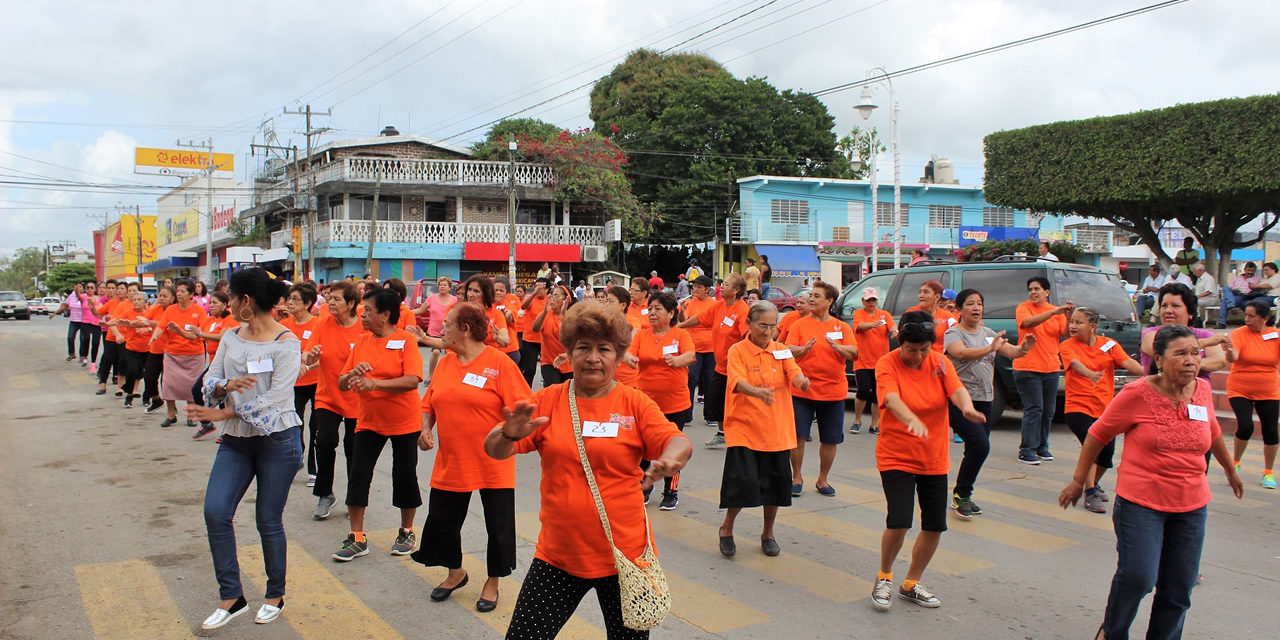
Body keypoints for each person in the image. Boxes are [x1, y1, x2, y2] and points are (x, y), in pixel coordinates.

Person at [484, 303, 692, 640]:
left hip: (625, 557)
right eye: (583, 347)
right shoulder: (548, 400)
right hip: (558, 555)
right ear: (568, 354)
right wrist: (507, 433)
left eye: (604, 349)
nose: (593, 357)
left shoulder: (634, 403)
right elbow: (494, 450)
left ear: (619, 356)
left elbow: (676, 440)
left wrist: (670, 459)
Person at [1058, 324, 1243, 640]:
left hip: (1191, 505)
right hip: (1141, 503)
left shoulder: (1200, 390)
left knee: (1179, 587)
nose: (1190, 361)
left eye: (1195, 354)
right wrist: (1079, 482)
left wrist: (1230, 470)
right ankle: (1112, 632)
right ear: (1158, 358)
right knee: (1138, 577)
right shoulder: (1136, 394)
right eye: (1180, 354)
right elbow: (1097, 435)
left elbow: (1212, 431)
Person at [190, 268, 301, 630]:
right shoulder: (230, 336)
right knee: (215, 511)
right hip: (237, 441)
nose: (229, 304)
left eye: (232, 299)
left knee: (267, 520)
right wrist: (223, 386)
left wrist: (224, 410)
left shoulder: (286, 343)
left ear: (246, 301)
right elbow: (209, 379)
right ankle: (232, 596)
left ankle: (275, 594)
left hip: (277, 441)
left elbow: (276, 401)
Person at [412, 303, 532, 613]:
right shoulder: (447, 363)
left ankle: (492, 581)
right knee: (442, 521)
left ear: (465, 329)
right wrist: (426, 429)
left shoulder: (500, 364)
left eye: (448, 325)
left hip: (493, 460)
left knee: (498, 525)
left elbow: (524, 409)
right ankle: (456, 572)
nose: (442, 331)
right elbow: (430, 403)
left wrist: (511, 431)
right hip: (453, 459)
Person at [871, 311, 986, 612]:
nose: (919, 356)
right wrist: (911, 420)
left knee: (935, 525)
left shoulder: (939, 361)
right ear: (900, 341)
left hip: (933, 457)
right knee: (899, 521)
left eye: (924, 349)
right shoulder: (887, 364)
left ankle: (911, 583)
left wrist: (968, 408)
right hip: (896, 455)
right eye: (912, 349)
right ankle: (884, 576)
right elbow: (892, 400)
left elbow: (957, 390)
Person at [333, 289, 425, 562]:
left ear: (385, 315)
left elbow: (413, 379)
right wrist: (352, 374)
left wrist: (375, 384)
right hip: (369, 421)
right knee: (359, 474)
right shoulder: (361, 342)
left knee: (404, 476)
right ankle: (357, 537)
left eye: (368, 310)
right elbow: (341, 382)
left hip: (404, 421)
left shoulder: (406, 340)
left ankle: (407, 531)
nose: (362, 314)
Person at [718, 301, 810, 558]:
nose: (767, 331)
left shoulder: (781, 351)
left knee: (775, 488)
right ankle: (727, 528)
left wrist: (801, 381)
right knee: (741, 484)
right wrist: (756, 391)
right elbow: (736, 381)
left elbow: (794, 373)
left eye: (772, 326)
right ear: (748, 324)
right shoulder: (737, 351)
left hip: (777, 431)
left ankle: (768, 533)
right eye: (762, 326)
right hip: (744, 429)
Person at [944, 289, 1035, 517]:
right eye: (970, 304)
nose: (976, 308)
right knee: (980, 446)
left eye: (979, 304)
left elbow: (1011, 352)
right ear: (959, 309)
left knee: (975, 448)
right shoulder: (953, 333)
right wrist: (989, 348)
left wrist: (1025, 348)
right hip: (960, 399)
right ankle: (961, 494)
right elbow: (961, 354)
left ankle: (963, 494)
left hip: (985, 399)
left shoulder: (988, 333)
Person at [1058, 307, 1144, 514]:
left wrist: (1150, 375)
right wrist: (1090, 374)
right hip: (1077, 407)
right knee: (1091, 446)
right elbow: (1075, 364)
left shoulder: (1109, 345)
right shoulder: (1067, 345)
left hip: (1105, 409)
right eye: (1072, 322)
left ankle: (1091, 484)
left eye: (1079, 322)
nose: (1073, 326)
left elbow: (1127, 362)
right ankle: (1089, 492)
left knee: (1106, 455)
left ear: (1093, 326)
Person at [779, 281, 856, 497]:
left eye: (817, 296)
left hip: (834, 392)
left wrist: (838, 347)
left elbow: (854, 353)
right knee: (798, 437)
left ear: (830, 301)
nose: (811, 299)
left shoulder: (842, 327)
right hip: (802, 391)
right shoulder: (799, 325)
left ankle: (823, 479)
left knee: (830, 439)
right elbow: (787, 349)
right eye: (810, 295)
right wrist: (802, 349)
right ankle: (797, 476)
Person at [626, 291, 695, 510]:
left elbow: (691, 356)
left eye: (658, 309)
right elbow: (629, 353)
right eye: (651, 309)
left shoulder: (680, 335)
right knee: (644, 448)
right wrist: (629, 358)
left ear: (671, 313)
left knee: (671, 448)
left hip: (675, 403)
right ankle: (645, 487)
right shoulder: (642, 335)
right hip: (646, 403)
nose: (652, 313)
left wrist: (677, 360)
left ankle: (671, 491)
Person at [301, 281, 364, 520]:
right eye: (329, 298)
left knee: (354, 448)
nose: (331, 302)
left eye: (336, 299)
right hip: (327, 396)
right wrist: (309, 355)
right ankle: (325, 494)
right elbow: (308, 352)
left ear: (350, 303)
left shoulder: (363, 328)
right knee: (325, 441)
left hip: (357, 399)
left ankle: (354, 497)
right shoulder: (322, 323)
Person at [677, 273, 749, 448]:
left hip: (737, 368)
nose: (721, 286)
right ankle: (722, 433)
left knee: (736, 404)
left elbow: (748, 336)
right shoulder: (719, 306)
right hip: (721, 366)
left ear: (736, 290)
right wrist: (677, 328)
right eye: (722, 283)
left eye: (726, 284)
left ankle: (742, 437)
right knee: (716, 401)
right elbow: (698, 319)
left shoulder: (742, 309)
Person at [1013, 276, 1074, 465]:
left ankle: (1042, 446)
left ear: (1046, 292)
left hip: (1051, 367)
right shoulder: (1023, 308)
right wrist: (1056, 311)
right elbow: (1029, 323)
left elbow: (1065, 333)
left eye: (1037, 289)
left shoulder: (1055, 311)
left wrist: (1069, 314)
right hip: (1027, 367)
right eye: (1030, 289)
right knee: (1034, 409)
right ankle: (1027, 449)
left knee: (1048, 410)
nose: (1033, 292)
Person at [1223, 300, 1280, 489]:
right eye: (1245, 315)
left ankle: (1268, 473)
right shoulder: (1239, 334)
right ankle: (1236, 462)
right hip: (1241, 387)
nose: (1246, 319)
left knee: (1270, 431)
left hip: (1268, 388)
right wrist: (1229, 352)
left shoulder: (1275, 335)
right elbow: (1234, 357)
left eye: (1251, 316)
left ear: (1264, 318)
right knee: (1246, 426)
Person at [1139, 283, 1229, 378]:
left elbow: (1219, 361)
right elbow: (1165, 349)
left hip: (1198, 391)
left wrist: (1191, 364)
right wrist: (1206, 343)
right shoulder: (1149, 334)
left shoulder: (1204, 334)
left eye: (1175, 306)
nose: (1168, 311)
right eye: (1164, 306)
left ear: (1190, 313)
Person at [281, 282, 321, 486]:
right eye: (289, 298)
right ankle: (296, 458)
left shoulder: (317, 325)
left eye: (294, 299)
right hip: (293, 383)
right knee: (295, 423)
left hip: (316, 381)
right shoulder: (285, 325)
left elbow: (324, 355)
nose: (289, 302)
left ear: (307, 303)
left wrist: (307, 366)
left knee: (316, 426)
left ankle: (315, 470)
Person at [160, 281, 210, 428]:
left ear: (191, 294)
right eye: (178, 291)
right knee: (168, 384)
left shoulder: (199, 311)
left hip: (193, 354)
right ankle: (171, 414)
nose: (179, 294)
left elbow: (202, 331)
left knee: (191, 387)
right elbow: (161, 326)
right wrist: (154, 336)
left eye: (182, 291)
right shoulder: (170, 310)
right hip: (172, 353)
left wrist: (182, 332)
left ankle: (191, 415)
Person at [191, 291, 240, 440]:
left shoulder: (230, 319)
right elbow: (196, 335)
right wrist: (179, 331)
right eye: (210, 302)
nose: (211, 305)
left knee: (224, 397)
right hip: (213, 364)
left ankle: (227, 432)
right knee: (197, 390)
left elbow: (222, 337)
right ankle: (207, 423)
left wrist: (200, 335)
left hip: (227, 363)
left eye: (215, 303)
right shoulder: (210, 321)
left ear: (225, 305)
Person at [851, 287, 895, 435]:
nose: (871, 303)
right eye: (868, 300)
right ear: (863, 301)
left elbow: (892, 326)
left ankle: (874, 424)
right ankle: (857, 420)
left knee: (877, 393)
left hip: (881, 362)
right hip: (862, 360)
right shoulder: (859, 314)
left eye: (873, 300)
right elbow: (859, 327)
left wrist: (895, 332)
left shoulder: (884, 315)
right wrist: (872, 324)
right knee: (863, 390)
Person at [680, 276, 717, 421]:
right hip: (693, 347)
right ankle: (686, 415)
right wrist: (682, 311)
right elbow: (683, 322)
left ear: (707, 290)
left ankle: (710, 416)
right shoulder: (688, 303)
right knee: (691, 378)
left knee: (709, 380)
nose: (694, 289)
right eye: (694, 286)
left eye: (698, 287)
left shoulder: (714, 305)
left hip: (711, 348)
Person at [414, 276, 456, 378]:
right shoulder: (431, 298)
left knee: (451, 356)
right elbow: (420, 310)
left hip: (449, 332)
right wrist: (405, 312)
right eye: (440, 285)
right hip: (434, 333)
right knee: (436, 352)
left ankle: (449, 376)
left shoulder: (454, 300)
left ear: (449, 287)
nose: (442, 287)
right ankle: (430, 376)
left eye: (445, 285)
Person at [532, 284, 574, 387]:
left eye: (556, 296)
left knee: (566, 393)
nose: (552, 298)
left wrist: (564, 315)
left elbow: (571, 338)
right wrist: (545, 311)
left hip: (568, 362)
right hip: (548, 362)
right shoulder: (546, 314)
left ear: (565, 300)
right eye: (552, 295)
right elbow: (535, 328)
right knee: (553, 390)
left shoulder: (571, 317)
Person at [140, 285, 172, 412]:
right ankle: (156, 399)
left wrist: (149, 323)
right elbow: (144, 319)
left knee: (166, 381)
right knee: (149, 376)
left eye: (165, 296)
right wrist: (128, 323)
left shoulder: (173, 310)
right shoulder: (156, 309)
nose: (162, 298)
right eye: (160, 296)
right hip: (155, 349)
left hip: (170, 350)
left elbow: (166, 325)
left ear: (172, 298)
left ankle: (172, 407)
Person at [906, 280, 955, 353]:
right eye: (920, 292)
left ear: (937, 296)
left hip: (940, 361)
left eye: (926, 292)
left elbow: (958, 334)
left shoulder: (947, 316)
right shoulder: (911, 312)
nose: (921, 295)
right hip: (917, 359)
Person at [517, 278, 549, 386]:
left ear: (547, 289)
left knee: (547, 369)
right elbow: (523, 306)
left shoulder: (550, 300)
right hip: (530, 339)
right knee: (530, 369)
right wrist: (534, 292)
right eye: (536, 286)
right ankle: (526, 394)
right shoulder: (532, 299)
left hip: (545, 340)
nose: (539, 289)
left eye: (541, 287)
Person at [1217, 261, 1262, 327]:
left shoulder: (1258, 278)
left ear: (1255, 270)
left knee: (1225, 300)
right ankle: (1231, 306)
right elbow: (1230, 289)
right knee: (1226, 288)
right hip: (1236, 296)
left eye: (1252, 271)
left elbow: (1260, 289)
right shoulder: (1236, 278)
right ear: (1244, 270)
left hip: (1248, 297)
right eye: (1248, 270)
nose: (1250, 272)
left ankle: (1222, 321)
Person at [54, 282, 86, 362]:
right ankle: (72, 354)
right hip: (74, 321)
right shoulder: (71, 296)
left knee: (83, 339)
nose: (79, 288)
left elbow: (82, 301)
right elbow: (65, 306)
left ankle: (82, 356)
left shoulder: (85, 296)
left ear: (83, 289)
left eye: (81, 287)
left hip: (83, 321)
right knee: (70, 337)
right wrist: (54, 313)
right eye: (77, 286)